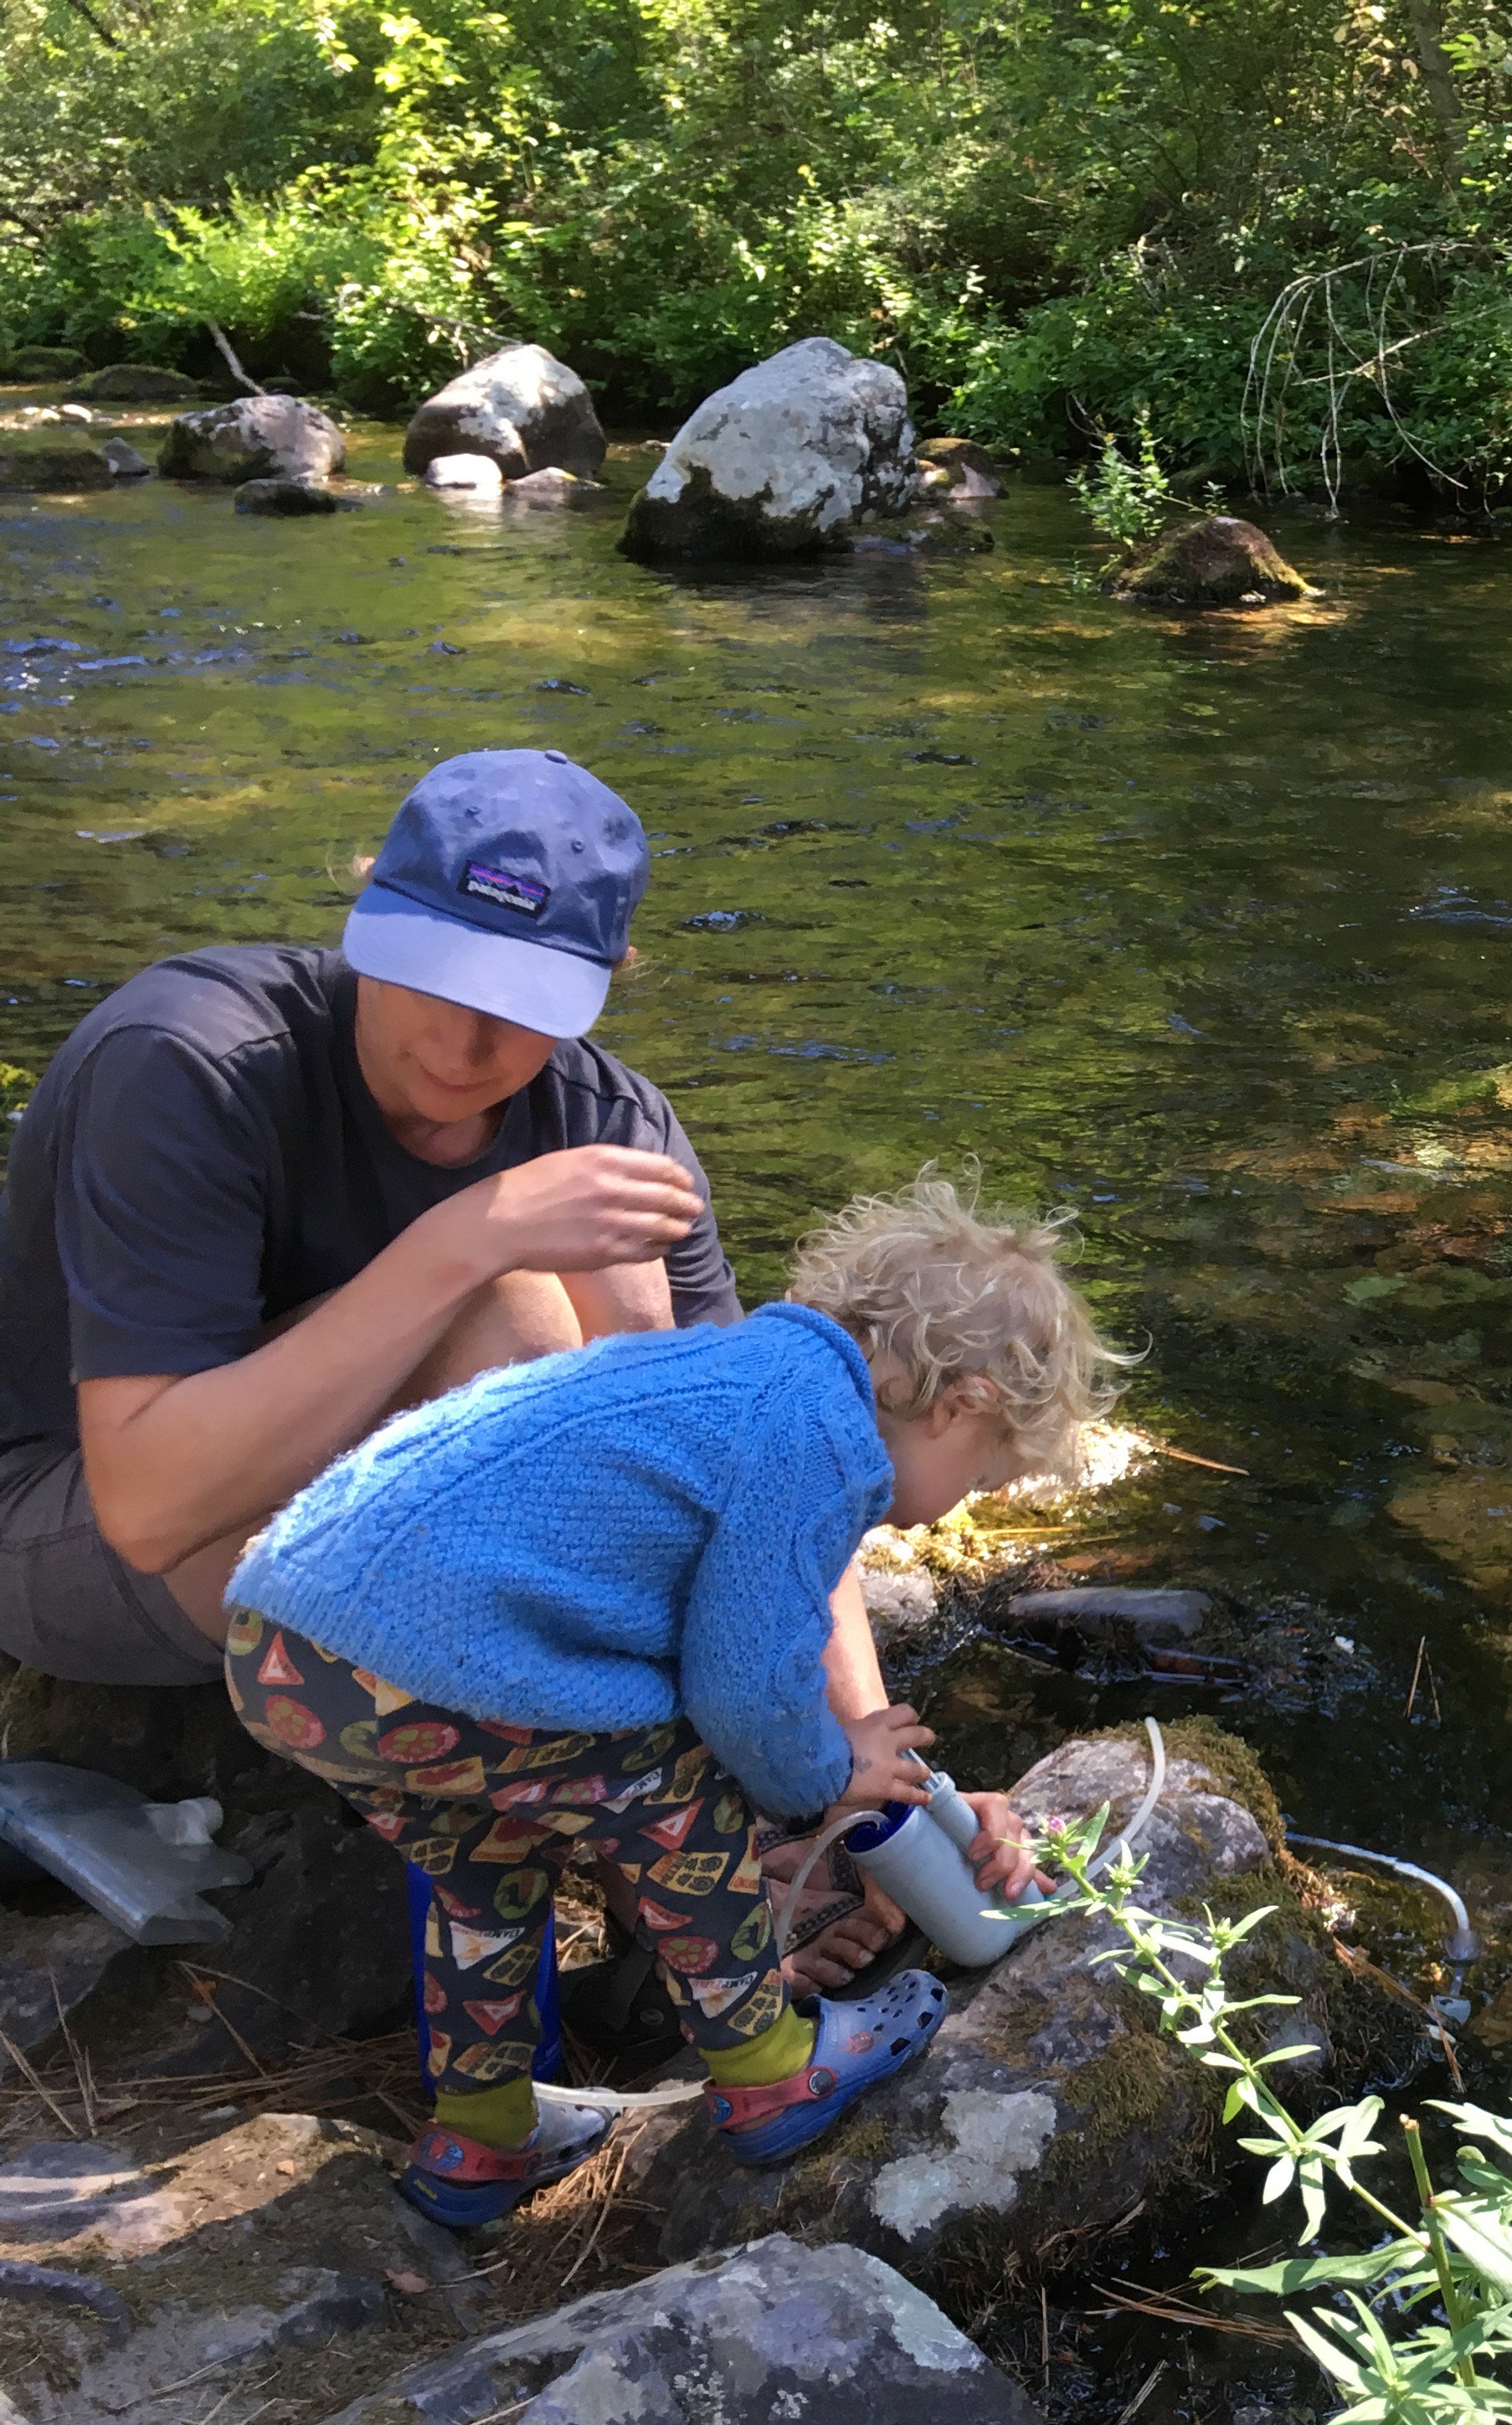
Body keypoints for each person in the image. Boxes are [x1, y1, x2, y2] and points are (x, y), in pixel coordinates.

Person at [0, 748, 963, 1990]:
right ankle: (669, 1893)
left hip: (353, 1555)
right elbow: (145, 1509)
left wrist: (861, 1775)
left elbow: (761, 1465)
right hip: (63, 1519)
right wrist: (464, 1239)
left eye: (522, 999)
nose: (464, 1043)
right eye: (434, 975)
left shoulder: (612, 1120)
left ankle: (716, 1852)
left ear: (607, 980)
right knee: (511, 1316)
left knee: (631, 1289)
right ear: (367, 922)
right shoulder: (190, 1062)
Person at [219, 1171, 1108, 2221]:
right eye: (985, 1475)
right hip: (424, 1653)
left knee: (487, 1866)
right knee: (679, 1780)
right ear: (963, 1405)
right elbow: (742, 1686)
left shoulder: (732, 1372)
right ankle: (770, 2062)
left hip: (285, 1645)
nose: (957, 1508)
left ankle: (484, 2135)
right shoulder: (816, 1434)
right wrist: (834, 1771)